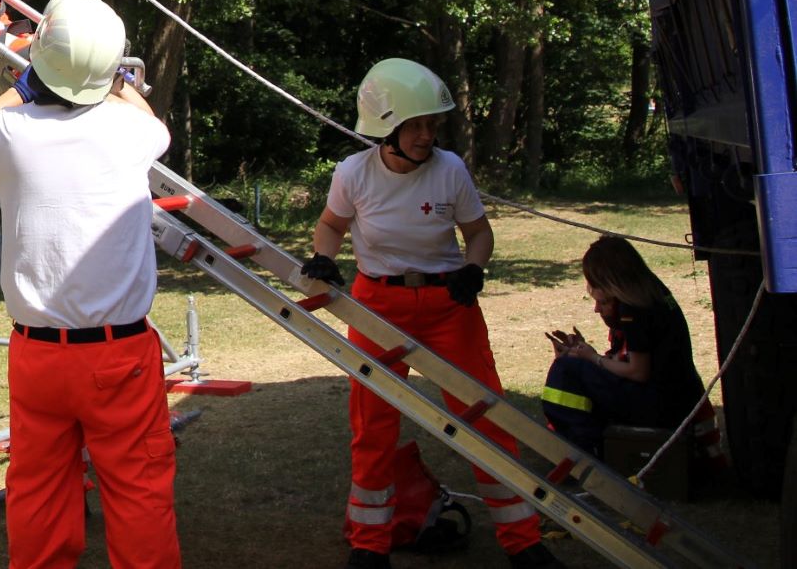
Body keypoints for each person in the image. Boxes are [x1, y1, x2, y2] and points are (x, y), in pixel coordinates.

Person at [0, 0, 180, 569]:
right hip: (118, 353)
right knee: (138, 490)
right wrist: (121, 80)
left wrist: (20, 85)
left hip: (37, 356)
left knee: (39, 492)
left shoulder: (9, 134)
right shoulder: (131, 134)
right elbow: (154, 126)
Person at [303, 58, 561, 569]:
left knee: (485, 418)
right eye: (416, 125)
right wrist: (324, 258)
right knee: (373, 425)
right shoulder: (353, 174)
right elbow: (331, 225)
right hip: (378, 305)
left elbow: (479, 233)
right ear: (386, 128)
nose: (427, 135)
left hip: (450, 306)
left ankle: (523, 542)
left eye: (432, 124)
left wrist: (474, 268)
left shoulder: (451, 170)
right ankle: (369, 546)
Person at [540, 236, 711, 457]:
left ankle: (586, 451)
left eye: (601, 298)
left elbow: (638, 372)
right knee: (573, 365)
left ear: (610, 281)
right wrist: (582, 354)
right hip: (675, 399)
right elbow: (633, 359)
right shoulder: (651, 291)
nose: (597, 308)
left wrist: (593, 359)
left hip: (660, 406)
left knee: (565, 370)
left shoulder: (634, 309)